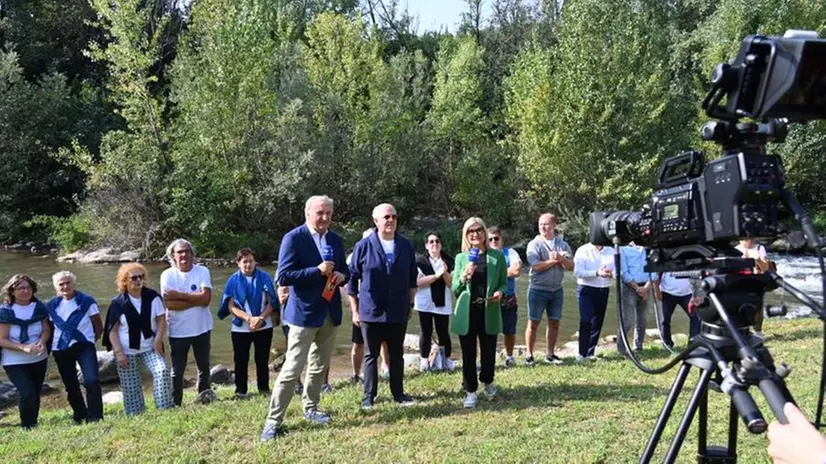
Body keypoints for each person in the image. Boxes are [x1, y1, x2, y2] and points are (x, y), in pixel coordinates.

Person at [261, 195, 349, 442]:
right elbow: (283, 276)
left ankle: (311, 409)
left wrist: (342, 275)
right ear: (307, 212)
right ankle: (273, 421)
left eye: (329, 213)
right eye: (320, 213)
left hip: (330, 312)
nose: (325, 218)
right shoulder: (294, 238)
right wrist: (317, 271)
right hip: (303, 314)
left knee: (319, 366)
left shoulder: (334, 239)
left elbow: (347, 270)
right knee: (292, 368)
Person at [348, 203, 417, 411]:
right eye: (386, 217)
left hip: (398, 309)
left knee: (397, 355)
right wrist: (355, 310)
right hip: (371, 311)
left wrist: (411, 302)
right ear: (376, 220)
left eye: (394, 217)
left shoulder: (405, 245)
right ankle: (369, 396)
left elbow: (412, 277)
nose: (390, 220)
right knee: (371, 355)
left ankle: (399, 393)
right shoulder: (364, 246)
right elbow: (352, 280)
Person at [451, 217, 507, 408]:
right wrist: (465, 275)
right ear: (466, 235)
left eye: (478, 230)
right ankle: (470, 391)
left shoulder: (497, 256)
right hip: (467, 311)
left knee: (489, 351)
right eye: (470, 231)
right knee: (468, 354)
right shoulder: (461, 258)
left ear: (484, 232)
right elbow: (456, 290)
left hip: (488, 309)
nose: (475, 234)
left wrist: (500, 292)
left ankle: (488, 382)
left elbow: (503, 282)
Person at [103, 263, 174, 415]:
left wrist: (158, 340)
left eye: (141, 277)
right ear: (124, 281)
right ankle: (136, 414)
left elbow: (162, 320)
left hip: (150, 346)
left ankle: (164, 408)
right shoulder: (118, 303)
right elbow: (112, 331)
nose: (138, 280)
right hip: (126, 350)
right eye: (134, 278)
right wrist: (119, 352)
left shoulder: (153, 297)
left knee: (162, 371)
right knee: (131, 386)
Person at [161, 238, 214, 406]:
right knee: (177, 371)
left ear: (192, 254)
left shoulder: (202, 271)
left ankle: (204, 398)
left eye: (187, 251)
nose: (183, 255)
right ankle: (176, 403)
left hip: (202, 328)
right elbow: (170, 304)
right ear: (173, 256)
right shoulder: (167, 275)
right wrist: (194, 299)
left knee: (204, 367)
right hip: (178, 330)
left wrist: (180, 295)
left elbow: (205, 299)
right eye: (179, 252)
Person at [218, 248, 278, 398]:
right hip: (240, 327)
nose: (248, 265)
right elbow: (230, 305)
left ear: (255, 262)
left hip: (264, 325)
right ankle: (240, 391)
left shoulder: (264, 277)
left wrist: (260, 318)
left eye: (251, 261)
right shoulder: (233, 280)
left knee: (262, 360)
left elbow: (273, 302)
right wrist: (249, 319)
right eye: (244, 262)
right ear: (238, 263)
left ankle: (264, 389)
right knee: (240, 361)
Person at [46, 271, 104, 423]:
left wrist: (91, 340)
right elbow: (50, 329)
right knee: (70, 384)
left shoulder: (87, 301)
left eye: (68, 282)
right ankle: (80, 414)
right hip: (60, 348)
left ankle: (95, 416)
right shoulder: (51, 306)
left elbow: (98, 325)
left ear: (73, 283)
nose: (65, 286)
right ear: (56, 287)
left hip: (84, 346)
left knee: (92, 380)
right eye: (61, 284)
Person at [0, 274, 51, 429]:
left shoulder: (40, 308)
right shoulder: (5, 311)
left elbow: (46, 329)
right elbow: (2, 339)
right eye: (20, 288)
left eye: (28, 287)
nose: (25, 290)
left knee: (35, 393)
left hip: (38, 358)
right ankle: (26, 426)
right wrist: (24, 347)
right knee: (26, 393)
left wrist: (42, 342)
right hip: (13, 360)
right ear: (12, 291)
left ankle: (33, 424)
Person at [525, 213, 573, 365]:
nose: (543, 227)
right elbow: (536, 266)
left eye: (546, 224)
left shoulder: (562, 245)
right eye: (540, 224)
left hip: (557, 289)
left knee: (554, 322)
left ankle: (550, 354)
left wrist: (562, 259)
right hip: (537, 289)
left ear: (554, 226)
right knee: (533, 322)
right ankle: (529, 355)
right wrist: (555, 260)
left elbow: (571, 266)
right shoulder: (534, 244)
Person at [414, 231, 455, 372]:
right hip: (424, 303)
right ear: (426, 245)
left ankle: (447, 360)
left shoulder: (448, 261)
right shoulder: (419, 261)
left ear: (441, 244)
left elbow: (451, 284)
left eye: (437, 241)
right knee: (426, 331)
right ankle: (424, 361)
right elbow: (418, 282)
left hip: (443, 302)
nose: (434, 244)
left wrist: (444, 274)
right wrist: (436, 275)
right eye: (431, 242)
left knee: (443, 331)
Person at [486, 226, 522, 367]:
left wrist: (495, 275)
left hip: (508, 298)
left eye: (496, 238)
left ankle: (509, 356)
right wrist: (505, 273)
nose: (494, 241)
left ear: (501, 239)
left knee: (509, 330)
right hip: (490, 299)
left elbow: (516, 270)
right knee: (487, 331)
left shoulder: (510, 252)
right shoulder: (485, 255)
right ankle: (487, 357)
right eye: (490, 239)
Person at [573, 241, 614, 362]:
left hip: (603, 289)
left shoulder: (610, 251)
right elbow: (578, 273)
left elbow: (619, 270)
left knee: (597, 321)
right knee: (586, 321)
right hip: (586, 289)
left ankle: (590, 353)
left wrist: (611, 274)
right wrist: (596, 273)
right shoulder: (583, 250)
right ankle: (581, 354)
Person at [618, 241, 656, 355]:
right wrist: (637, 288)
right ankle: (621, 349)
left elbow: (654, 269)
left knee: (643, 320)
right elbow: (624, 272)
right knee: (627, 320)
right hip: (630, 287)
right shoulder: (623, 248)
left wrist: (646, 288)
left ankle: (638, 346)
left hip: (646, 286)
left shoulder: (650, 246)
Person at [736, 238, 770, 337]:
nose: (748, 241)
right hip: (740, 281)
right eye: (744, 239)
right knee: (739, 307)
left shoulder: (759, 248)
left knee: (758, 307)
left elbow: (765, 268)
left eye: (749, 239)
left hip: (757, 281)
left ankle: (757, 331)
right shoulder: (735, 250)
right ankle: (743, 330)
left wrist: (758, 260)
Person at [655, 272, 699, 348]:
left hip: (687, 293)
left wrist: (695, 293)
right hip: (667, 292)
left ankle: (693, 343)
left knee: (696, 317)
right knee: (664, 320)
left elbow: (696, 275)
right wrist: (657, 292)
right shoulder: (665, 260)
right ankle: (667, 344)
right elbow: (656, 276)